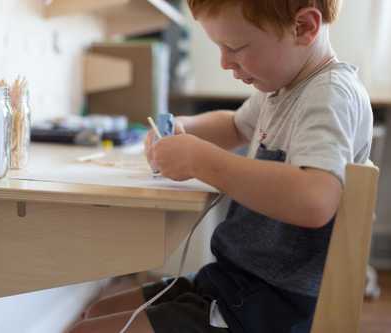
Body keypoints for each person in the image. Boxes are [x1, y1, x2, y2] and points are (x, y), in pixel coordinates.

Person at [68, 0, 373, 332]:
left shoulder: (329, 97)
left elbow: (316, 199)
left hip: (273, 304)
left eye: (235, 47)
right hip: (235, 280)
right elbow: (235, 126)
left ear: (304, 27)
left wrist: (199, 159)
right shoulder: (283, 88)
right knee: (94, 312)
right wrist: (185, 128)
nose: (225, 61)